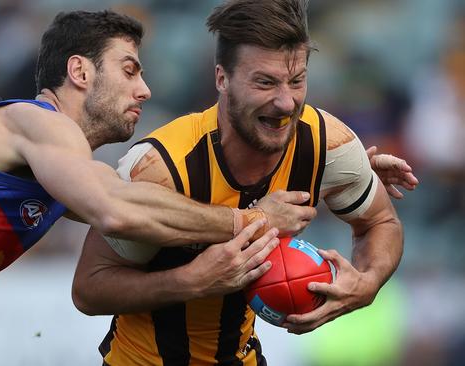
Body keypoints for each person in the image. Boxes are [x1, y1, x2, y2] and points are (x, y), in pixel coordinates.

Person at [0, 10, 325, 366]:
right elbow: (117, 211)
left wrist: (324, 167)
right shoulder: (35, 121)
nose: (144, 89)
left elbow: (147, 205)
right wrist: (252, 222)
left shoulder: (64, 168)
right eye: (128, 70)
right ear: (79, 71)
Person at [71, 1, 418, 365]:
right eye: (265, 82)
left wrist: (368, 282)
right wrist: (192, 280)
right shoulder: (162, 166)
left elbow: (380, 222)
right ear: (222, 79)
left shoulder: (327, 145)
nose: (286, 102)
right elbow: (89, 289)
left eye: (297, 81)